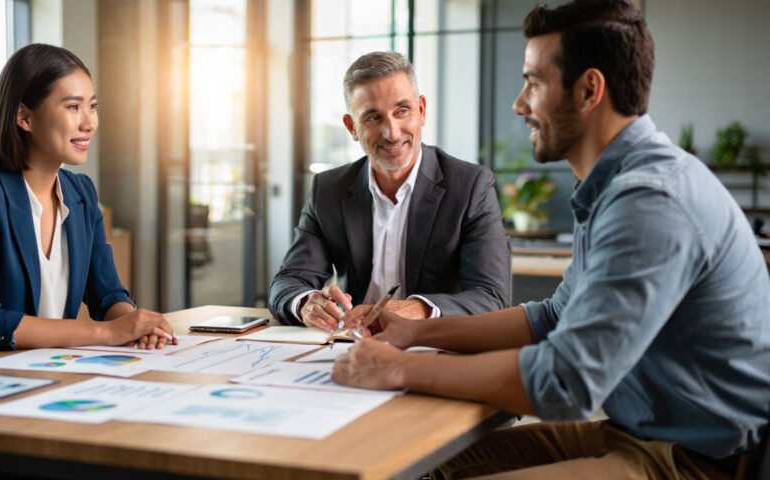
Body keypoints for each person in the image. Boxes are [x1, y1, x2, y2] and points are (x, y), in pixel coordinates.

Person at [332, 1, 770, 479]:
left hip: (697, 461)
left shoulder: (649, 201)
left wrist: (400, 369)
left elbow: (566, 381)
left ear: (588, 91)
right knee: (423, 466)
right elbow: (552, 317)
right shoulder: (613, 185)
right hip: (640, 431)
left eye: (533, 83)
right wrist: (418, 333)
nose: (520, 103)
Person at [0, 44, 174, 478]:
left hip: (43, 387)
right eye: (72, 107)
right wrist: (108, 332)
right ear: (24, 116)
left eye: (92, 106)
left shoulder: (82, 194)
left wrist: (135, 326)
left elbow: (107, 294)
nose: (89, 122)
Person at [268, 51, 511, 330]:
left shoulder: (471, 186)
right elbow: (288, 281)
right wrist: (306, 302)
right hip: (352, 347)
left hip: (435, 346)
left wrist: (416, 308)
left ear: (422, 110)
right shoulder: (329, 190)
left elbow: (492, 297)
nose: (392, 133)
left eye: (402, 111)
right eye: (373, 117)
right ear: (352, 127)